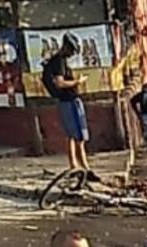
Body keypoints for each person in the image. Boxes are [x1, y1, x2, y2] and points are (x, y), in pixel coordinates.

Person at [42, 33, 99, 181]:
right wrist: (77, 82)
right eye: (72, 50)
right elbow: (60, 83)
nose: (72, 54)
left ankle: (76, 165)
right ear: (66, 47)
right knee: (78, 135)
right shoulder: (59, 62)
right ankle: (83, 167)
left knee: (74, 135)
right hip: (68, 101)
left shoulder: (59, 61)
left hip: (67, 100)